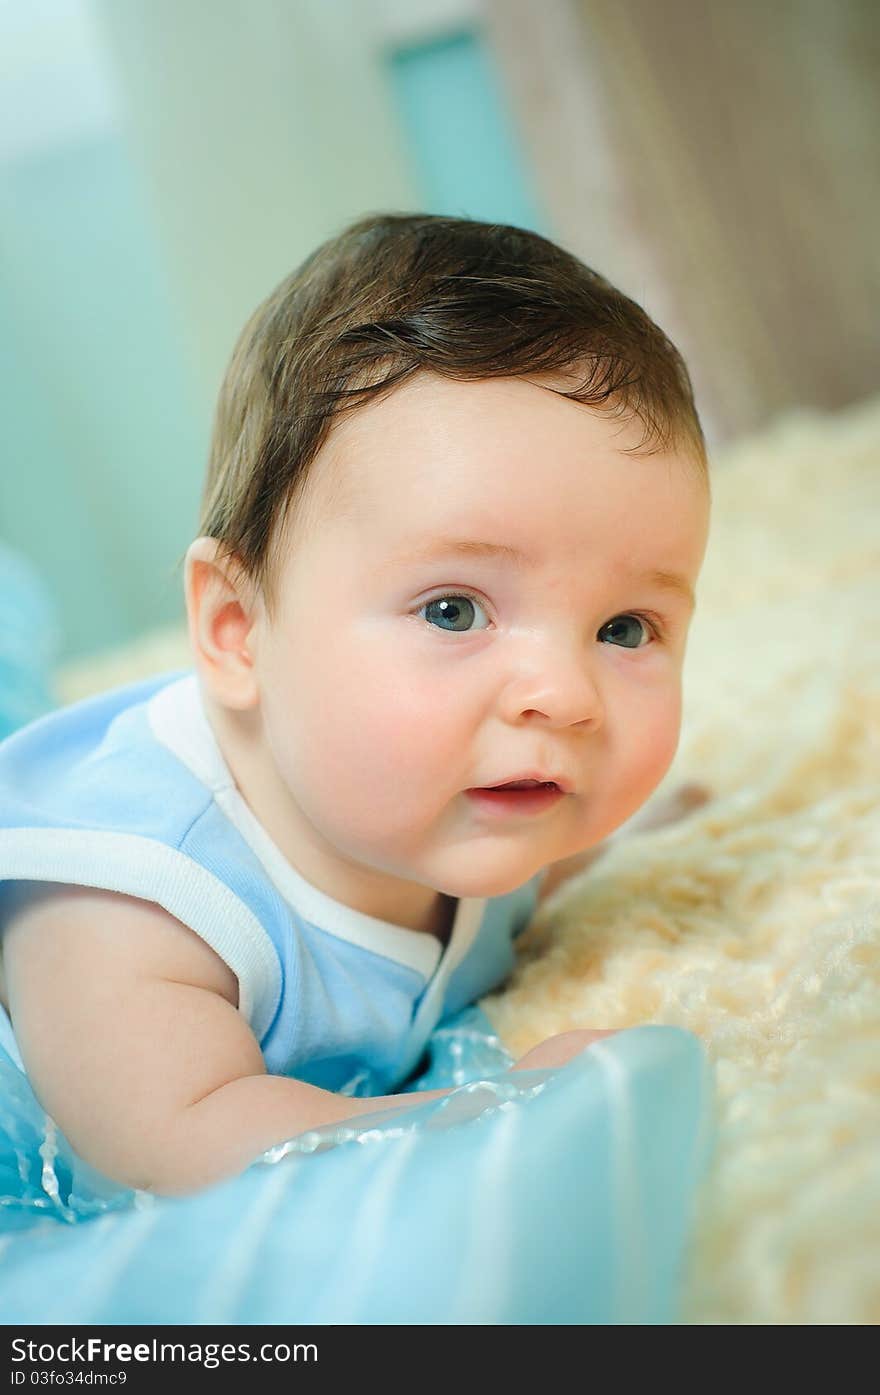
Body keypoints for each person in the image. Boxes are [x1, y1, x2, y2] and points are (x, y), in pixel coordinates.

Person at [0, 213, 710, 1197]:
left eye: (625, 628)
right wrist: (501, 1110)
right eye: (455, 610)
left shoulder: (476, 784)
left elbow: (535, 870)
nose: (563, 696)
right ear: (239, 632)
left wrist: (623, 837)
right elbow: (182, 1146)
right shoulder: (136, 899)